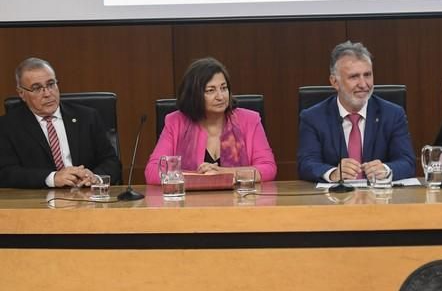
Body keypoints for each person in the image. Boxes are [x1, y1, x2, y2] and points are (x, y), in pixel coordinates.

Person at [297, 41, 416, 183]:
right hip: (334, 200)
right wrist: (333, 173)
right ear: (335, 82)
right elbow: (306, 164)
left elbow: (407, 162)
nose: (363, 84)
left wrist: (385, 169)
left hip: (381, 199)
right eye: (354, 77)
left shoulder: (392, 114)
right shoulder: (313, 117)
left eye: (367, 75)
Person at [145, 57, 276, 184]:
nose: (220, 96)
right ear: (194, 94)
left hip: (241, 202)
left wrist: (223, 173)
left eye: (224, 88)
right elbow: (152, 172)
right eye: (210, 90)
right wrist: (199, 178)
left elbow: (268, 168)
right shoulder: (175, 122)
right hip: (189, 204)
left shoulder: (250, 120)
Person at [0, 57, 122, 188]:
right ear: (21, 93)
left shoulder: (88, 117)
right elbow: (6, 173)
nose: (47, 93)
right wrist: (52, 178)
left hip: (87, 197)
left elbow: (112, 162)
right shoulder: (7, 126)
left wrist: (94, 177)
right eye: (36, 88)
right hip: (38, 201)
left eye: (51, 84)